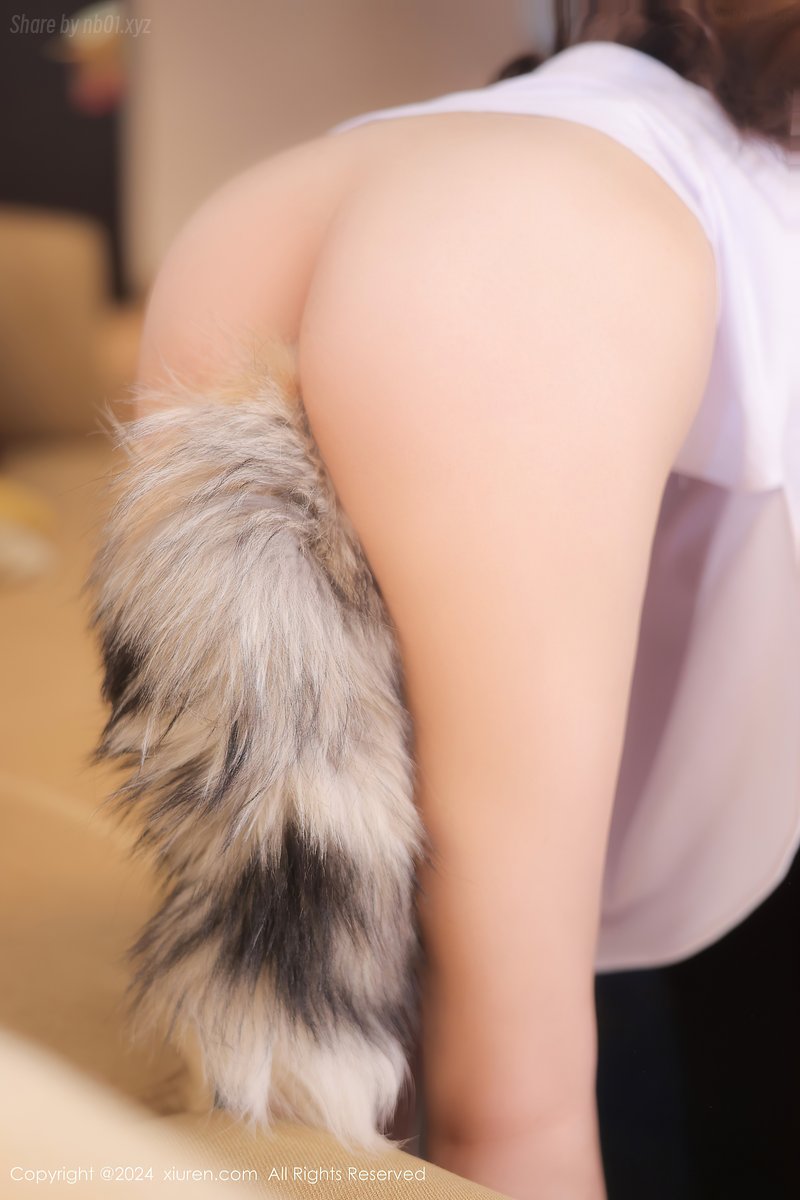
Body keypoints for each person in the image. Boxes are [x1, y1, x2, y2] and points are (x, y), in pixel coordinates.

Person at [132, 2, 799, 1197]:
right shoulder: (591, 211)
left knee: (346, 1075)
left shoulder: (364, 169)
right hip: (531, 264)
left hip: (256, 233)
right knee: (511, 1111)